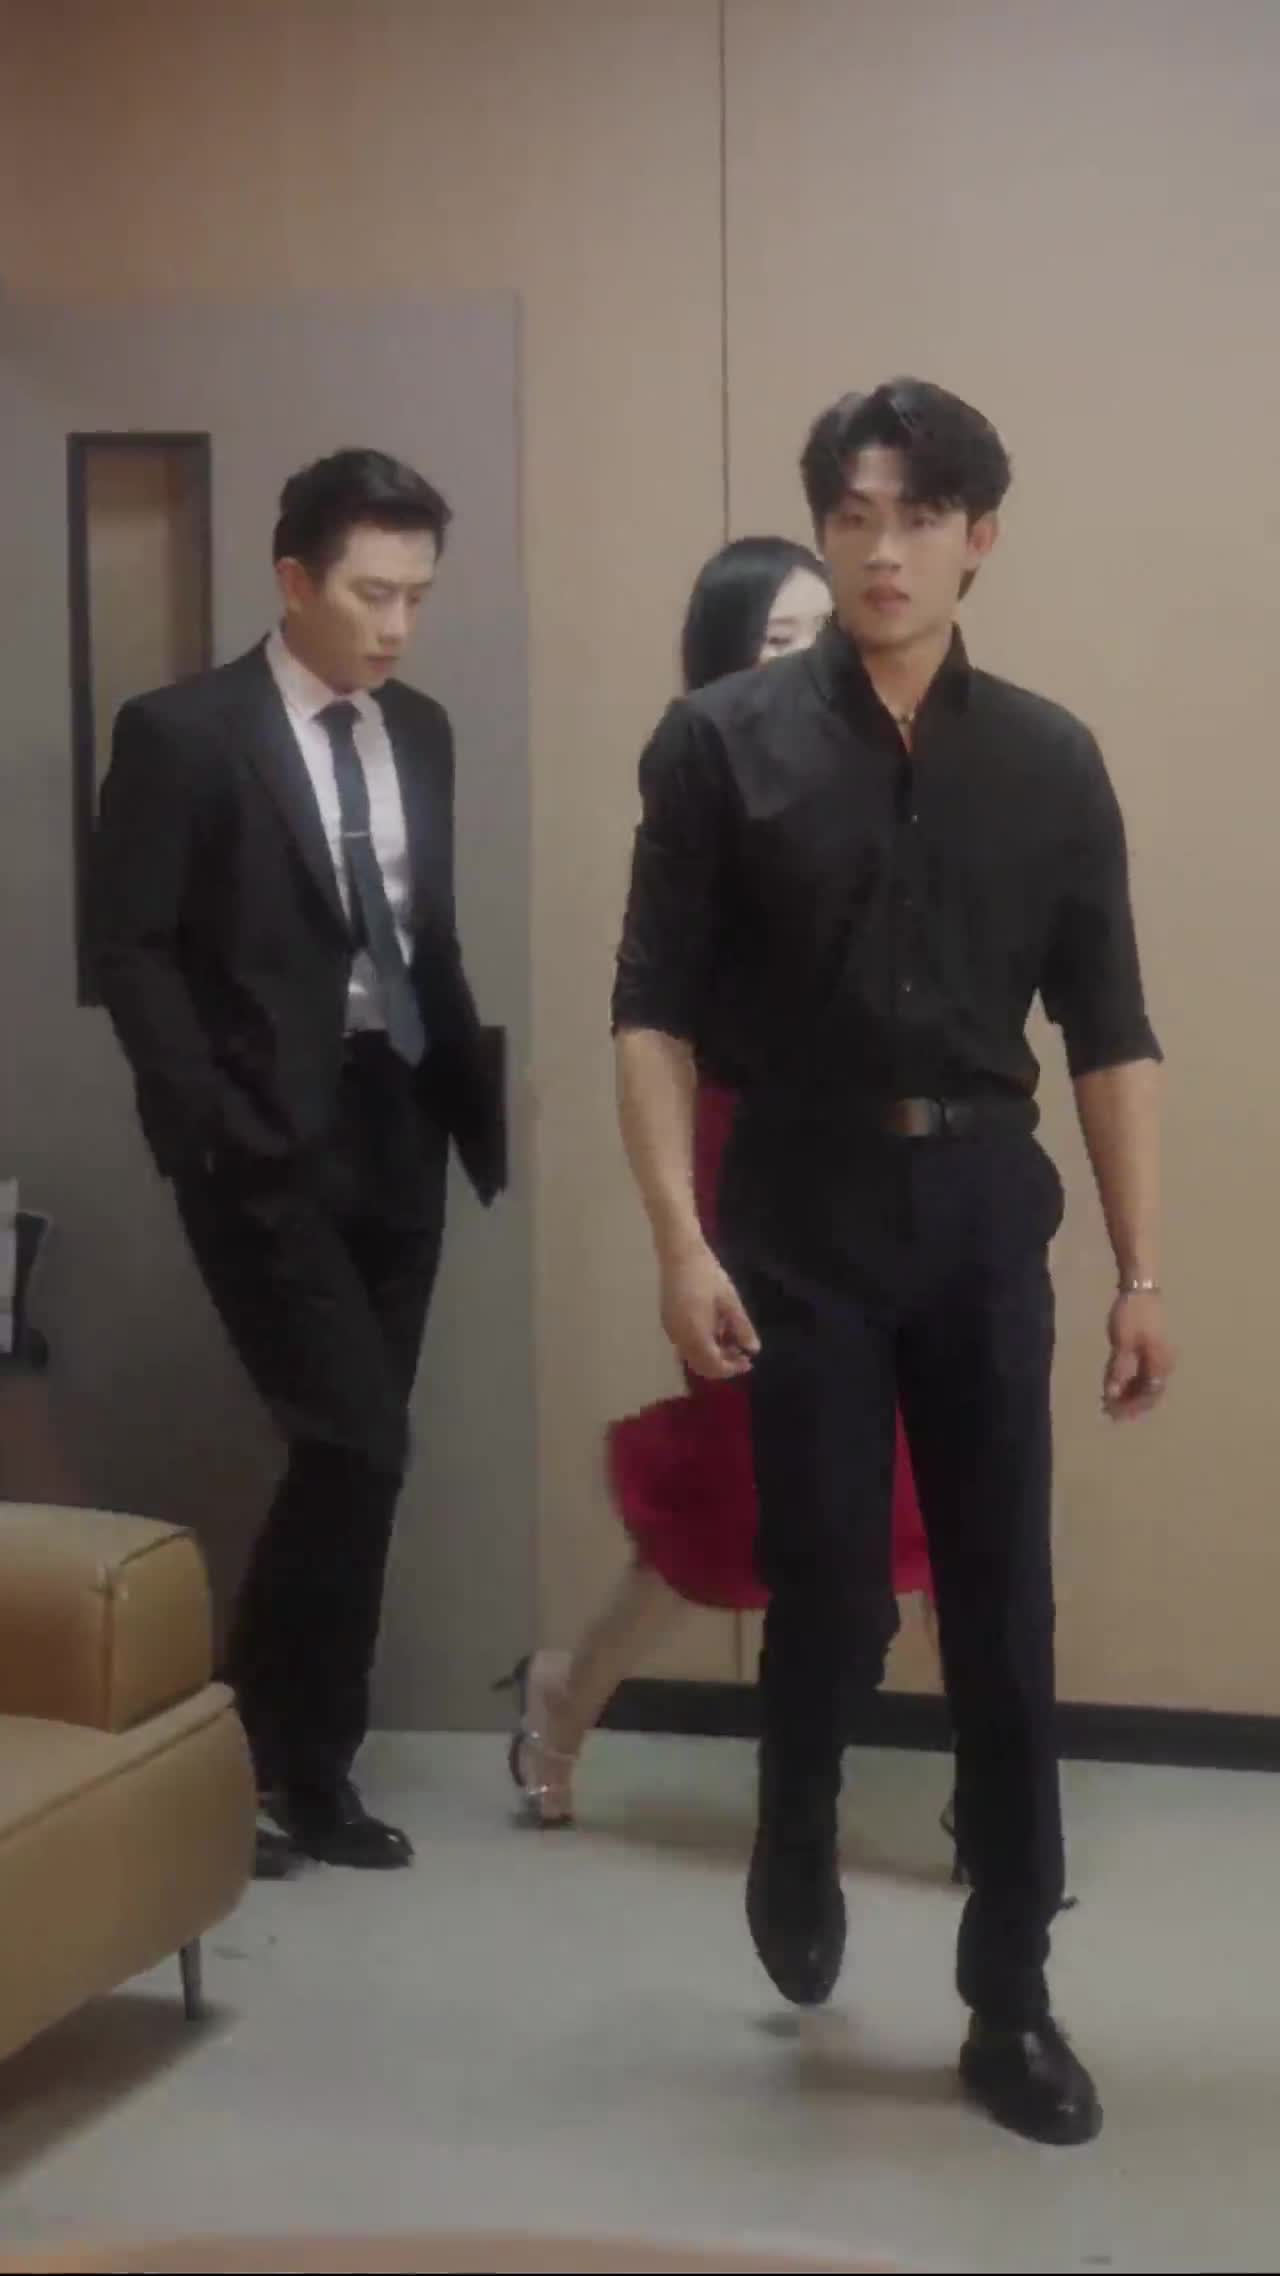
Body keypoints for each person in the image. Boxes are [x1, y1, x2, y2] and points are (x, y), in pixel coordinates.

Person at [612, 380, 1172, 2147]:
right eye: (852, 514)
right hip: (798, 1207)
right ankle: (796, 1816)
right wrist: (679, 1238)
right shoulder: (720, 745)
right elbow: (650, 1013)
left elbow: (1111, 1029)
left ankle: (1012, 1994)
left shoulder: (1050, 759)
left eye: (918, 517)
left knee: (1003, 1605)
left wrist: (1142, 1270)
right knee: (832, 1580)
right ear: (823, 527)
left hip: (984, 1205)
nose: (881, 550)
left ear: (977, 538)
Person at [91, 449, 506, 1879]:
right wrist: (205, 1112)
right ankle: (269, 1761)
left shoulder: (421, 730)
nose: (397, 626)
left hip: (403, 1116)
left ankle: (289, 1765)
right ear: (292, 579)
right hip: (263, 1135)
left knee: (360, 1461)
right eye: (371, 593)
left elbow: (422, 930)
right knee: (357, 1441)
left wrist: (463, 1090)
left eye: (418, 597)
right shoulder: (184, 733)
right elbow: (128, 946)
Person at [505, 539, 933, 1830]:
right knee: (744, 1483)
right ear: (727, 664)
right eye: (781, 640)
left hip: (889, 1159)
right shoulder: (704, 777)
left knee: (932, 1474)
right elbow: (660, 1013)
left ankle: (991, 1797)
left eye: (827, 632)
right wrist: (683, 1238)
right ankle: (566, 1696)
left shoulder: (907, 760)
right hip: (746, 1155)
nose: (817, 660)